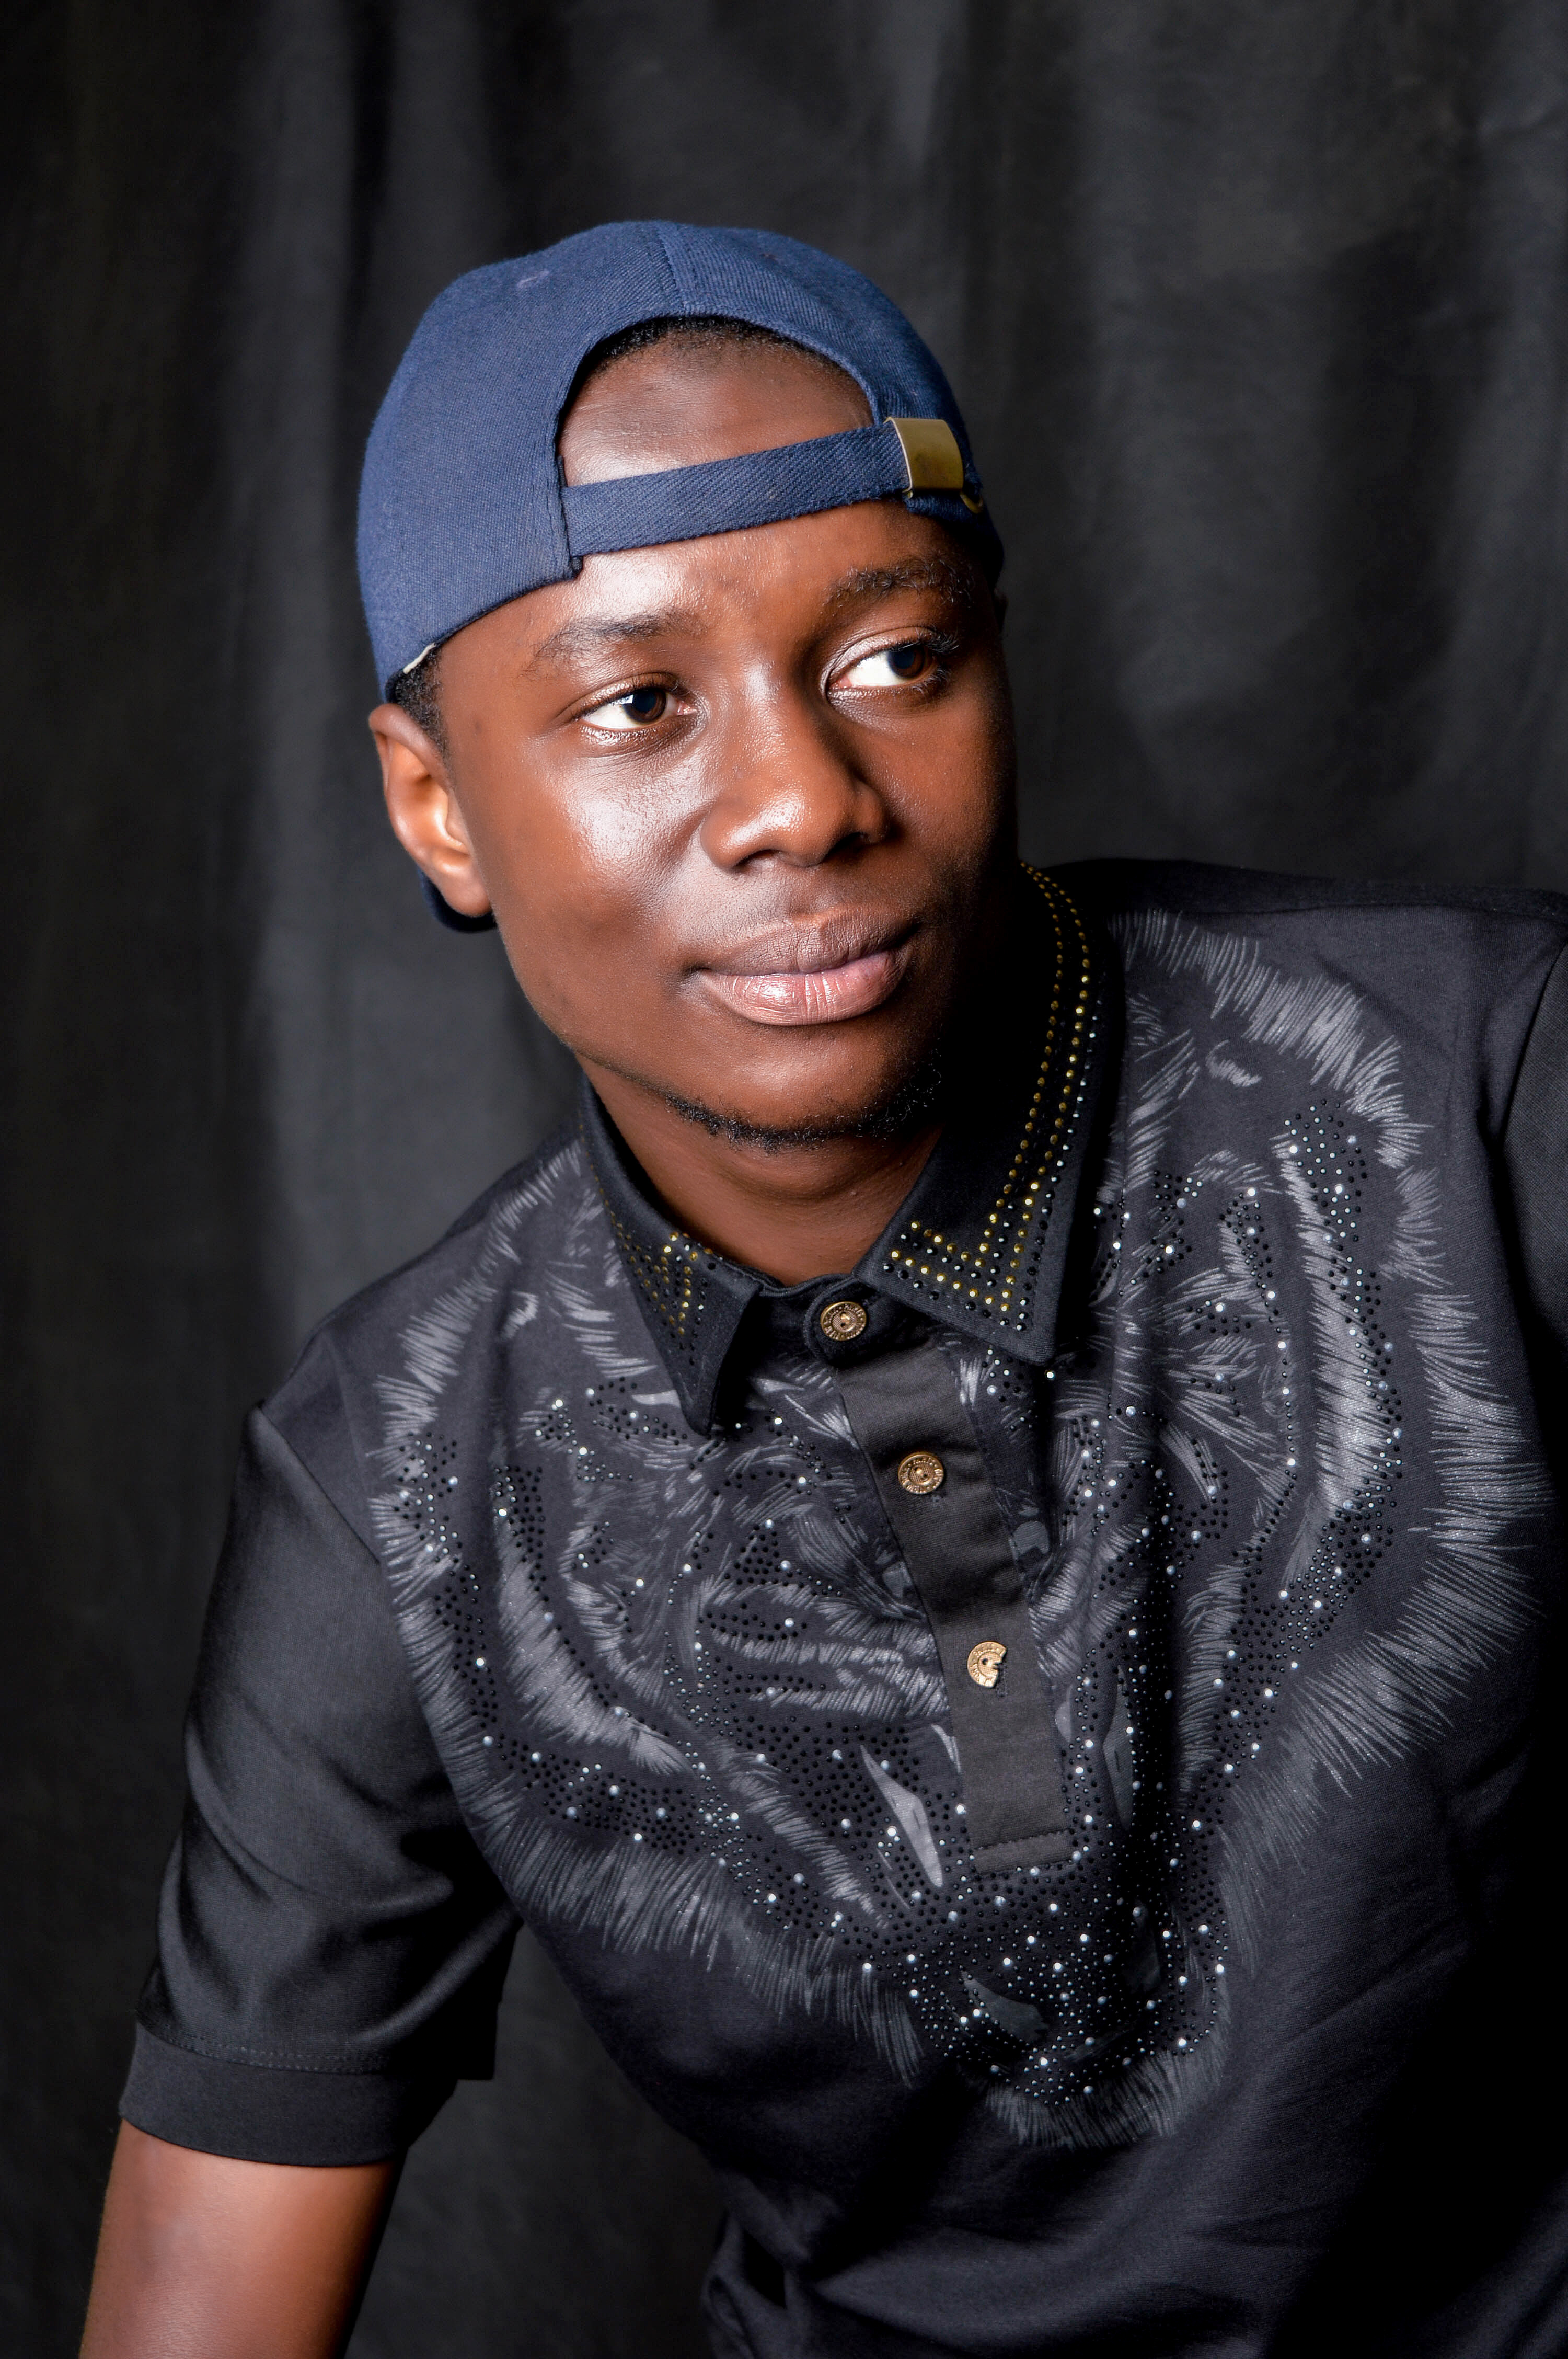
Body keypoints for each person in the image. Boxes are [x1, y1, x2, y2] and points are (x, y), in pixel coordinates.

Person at [80, 221, 1568, 2359]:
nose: (802, 801)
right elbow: (198, 2293)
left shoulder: (1477, 1089)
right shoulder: (398, 1473)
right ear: (438, 808)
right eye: (639, 705)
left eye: (895, 660)